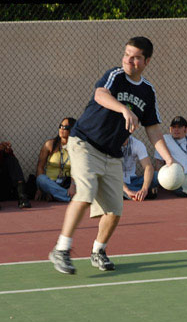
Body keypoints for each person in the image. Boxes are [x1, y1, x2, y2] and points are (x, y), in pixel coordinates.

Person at [48, 36, 176, 275]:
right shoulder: (115, 76)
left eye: (136, 56)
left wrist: (169, 159)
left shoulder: (148, 92)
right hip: (85, 143)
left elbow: (153, 128)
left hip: (112, 153)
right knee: (85, 194)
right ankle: (61, 249)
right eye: (127, 54)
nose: (129, 59)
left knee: (115, 210)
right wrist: (123, 108)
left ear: (146, 61)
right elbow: (100, 95)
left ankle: (98, 251)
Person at [35, 117, 76, 203]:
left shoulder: (76, 148)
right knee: (41, 179)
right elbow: (40, 166)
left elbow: (76, 170)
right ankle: (69, 197)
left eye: (66, 127)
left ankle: (57, 195)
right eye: (60, 126)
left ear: (72, 130)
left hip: (67, 183)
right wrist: (40, 189)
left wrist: (72, 185)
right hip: (50, 183)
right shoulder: (50, 144)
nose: (62, 129)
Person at [122, 135, 158, 201]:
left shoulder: (137, 144)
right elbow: (111, 173)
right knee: (110, 185)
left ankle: (135, 194)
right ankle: (130, 193)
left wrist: (144, 189)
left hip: (133, 180)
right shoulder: (111, 144)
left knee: (156, 176)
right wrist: (127, 190)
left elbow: (148, 167)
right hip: (116, 181)